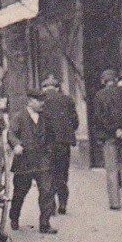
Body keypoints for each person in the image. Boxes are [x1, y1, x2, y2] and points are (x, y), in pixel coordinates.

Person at [7, 90, 57, 234]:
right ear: (30, 101)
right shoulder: (18, 117)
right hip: (24, 162)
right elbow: (11, 134)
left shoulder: (46, 118)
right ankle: (14, 217)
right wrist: (16, 145)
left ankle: (45, 224)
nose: (42, 103)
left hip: (43, 161)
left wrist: (49, 152)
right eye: (39, 100)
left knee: (47, 191)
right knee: (20, 192)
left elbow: (51, 138)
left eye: (43, 100)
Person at [93, 69, 122, 210]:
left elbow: (100, 118)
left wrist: (114, 129)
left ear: (103, 81)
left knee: (111, 169)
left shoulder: (99, 95)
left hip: (109, 137)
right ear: (115, 80)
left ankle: (115, 202)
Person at [40, 75, 79, 215]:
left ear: (44, 88)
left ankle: (51, 206)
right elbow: (75, 122)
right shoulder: (67, 99)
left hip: (47, 144)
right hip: (63, 143)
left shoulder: (41, 101)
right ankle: (63, 203)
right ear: (57, 88)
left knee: (48, 173)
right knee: (62, 174)